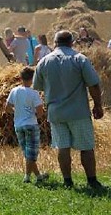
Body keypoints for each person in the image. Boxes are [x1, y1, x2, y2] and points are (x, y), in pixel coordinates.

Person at [33, 30, 104, 189]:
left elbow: (37, 86)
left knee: (62, 147)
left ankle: (67, 181)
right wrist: (98, 105)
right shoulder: (80, 59)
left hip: (56, 112)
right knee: (86, 147)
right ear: (72, 42)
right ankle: (92, 181)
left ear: (55, 43)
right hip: (78, 111)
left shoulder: (44, 62)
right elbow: (93, 84)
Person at [5, 67, 49, 183]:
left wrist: (17, 111)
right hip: (31, 124)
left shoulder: (14, 91)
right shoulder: (34, 93)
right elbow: (40, 111)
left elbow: (7, 108)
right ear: (33, 79)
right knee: (31, 154)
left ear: (20, 78)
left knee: (27, 152)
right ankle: (27, 177)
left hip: (18, 125)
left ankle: (38, 176)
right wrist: (34, 115)